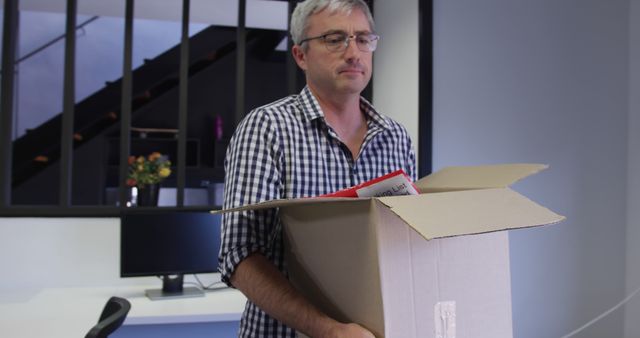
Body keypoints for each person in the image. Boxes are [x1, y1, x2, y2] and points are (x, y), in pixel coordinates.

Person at [219, 0, 416, 337]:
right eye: (334, 39)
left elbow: (408, 244)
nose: (353, 52)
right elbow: (239, 255)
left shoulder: (396, 137)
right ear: (300, 55)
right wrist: (327, 330)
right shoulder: (268, 128)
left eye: (363, 39)